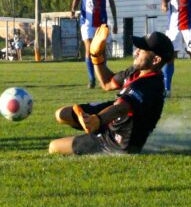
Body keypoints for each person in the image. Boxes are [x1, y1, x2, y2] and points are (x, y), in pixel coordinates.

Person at [48, 27, 171, 155]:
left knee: (53, 147)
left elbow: (121, 108)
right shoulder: (137, 71)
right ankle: (94, 129)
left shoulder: (151, 85)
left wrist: (98, 120)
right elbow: (107, 83)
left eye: (142, 50)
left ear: (156, 60)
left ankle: (94, 135)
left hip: (116, 141)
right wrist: (96, 57)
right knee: (61, 114)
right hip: (114, 120)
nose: (136, 52)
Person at [70, 0, 118, 89]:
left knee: (100, 51)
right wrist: (73, 10)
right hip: (86, 22)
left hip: (101, 22)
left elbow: (112, 3)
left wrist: (115, 22)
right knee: (89, 49)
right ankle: (91, 79)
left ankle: (103, 76)